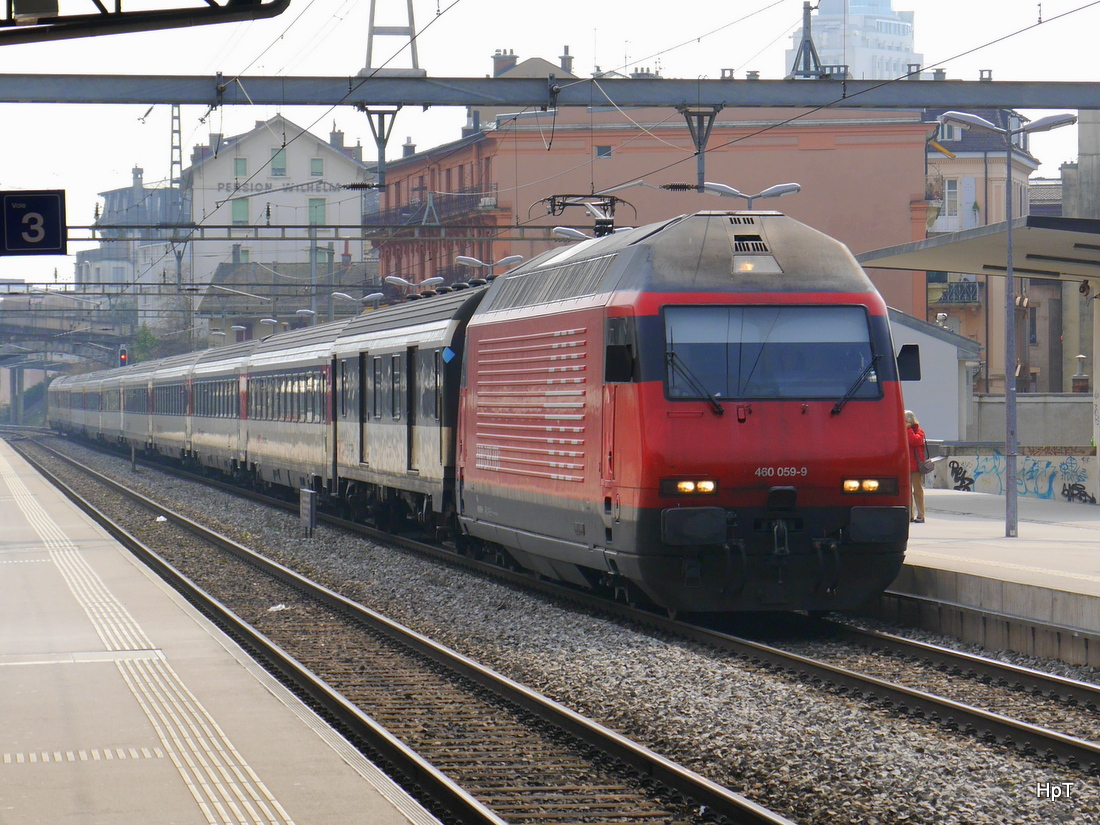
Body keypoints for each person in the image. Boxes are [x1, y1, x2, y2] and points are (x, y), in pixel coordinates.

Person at [905, 410, 927, 523]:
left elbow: (914, 441)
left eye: (905, 421)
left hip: (916, 466)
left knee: (917, 490)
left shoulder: (919, 432)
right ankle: (909, 515)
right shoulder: (904, 432)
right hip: (905, 465)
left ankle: (921, 514)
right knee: (907, 491)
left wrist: (908, 430)